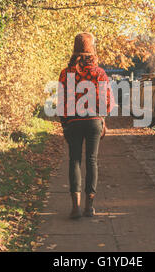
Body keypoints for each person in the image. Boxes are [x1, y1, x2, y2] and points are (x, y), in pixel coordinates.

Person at [58, 32, 115, 219]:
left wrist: (64, 123)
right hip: (93, 121)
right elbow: (108, 102)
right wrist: (102, 119)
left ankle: (75, 207)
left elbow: (61, 101)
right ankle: (89, 207)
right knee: (92, 160)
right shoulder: (100, 73)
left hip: (73, 121)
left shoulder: (66, 73)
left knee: (74, 160)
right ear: (92, 49)